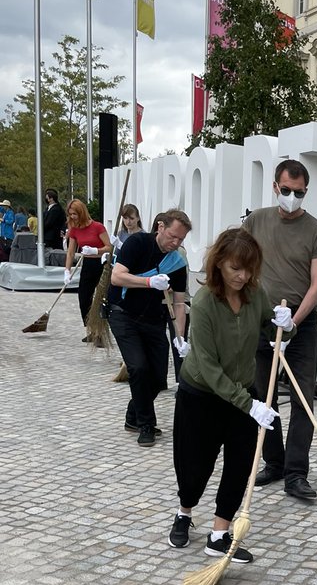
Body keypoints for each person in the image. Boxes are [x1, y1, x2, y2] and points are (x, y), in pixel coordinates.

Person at [168, 227, 294, 563]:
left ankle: (219, 534)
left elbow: (273, 327)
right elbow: (208, 367)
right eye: (236, 268)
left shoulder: (255, 294)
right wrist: (249, 404)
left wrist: (287, 322)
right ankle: (184, 512)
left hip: (242, 396)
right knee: (195, 464)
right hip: (202, 395)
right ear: (220, 262)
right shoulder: (207, 301)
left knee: (240, 465)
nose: (243, 275)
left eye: (249, 268)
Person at [245, 158, 317, 502]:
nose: (291, 196)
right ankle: (274, 461)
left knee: (302, 397)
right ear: (275, 186)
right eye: (286, 190)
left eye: (298, 192)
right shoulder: (256, 221)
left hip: (301, 321)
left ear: (305, 191)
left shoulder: (316, 231)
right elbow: (240, 262)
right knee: (263, 393)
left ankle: (297, 473)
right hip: (262, 318)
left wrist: (295, 320)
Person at [109, 209, 190, 447]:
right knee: (139, 368)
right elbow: (117, 277)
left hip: (153, 320)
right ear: (161, 227)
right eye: (173, 236)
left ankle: (133, 414)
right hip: (123, 314)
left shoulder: (177, 262)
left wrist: (180, 337)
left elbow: (178, 302)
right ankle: (146, 425)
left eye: (181, 239)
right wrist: (148, 282)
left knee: (157, 377)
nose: (175, 243)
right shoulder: (137, 243)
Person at [64, 198, 112, 335]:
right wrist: (66, 271)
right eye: (70, 214)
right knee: (84, 298)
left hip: (101, 264)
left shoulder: (97, 227)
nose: (73, 217)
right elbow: (71, 252)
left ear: (82, 212)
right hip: (88, 265)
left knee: (101, 298)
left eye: (75, 214)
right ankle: (91, 329)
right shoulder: (74, 229)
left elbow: (109, 247)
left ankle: (101, 331)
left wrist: (96, 250)